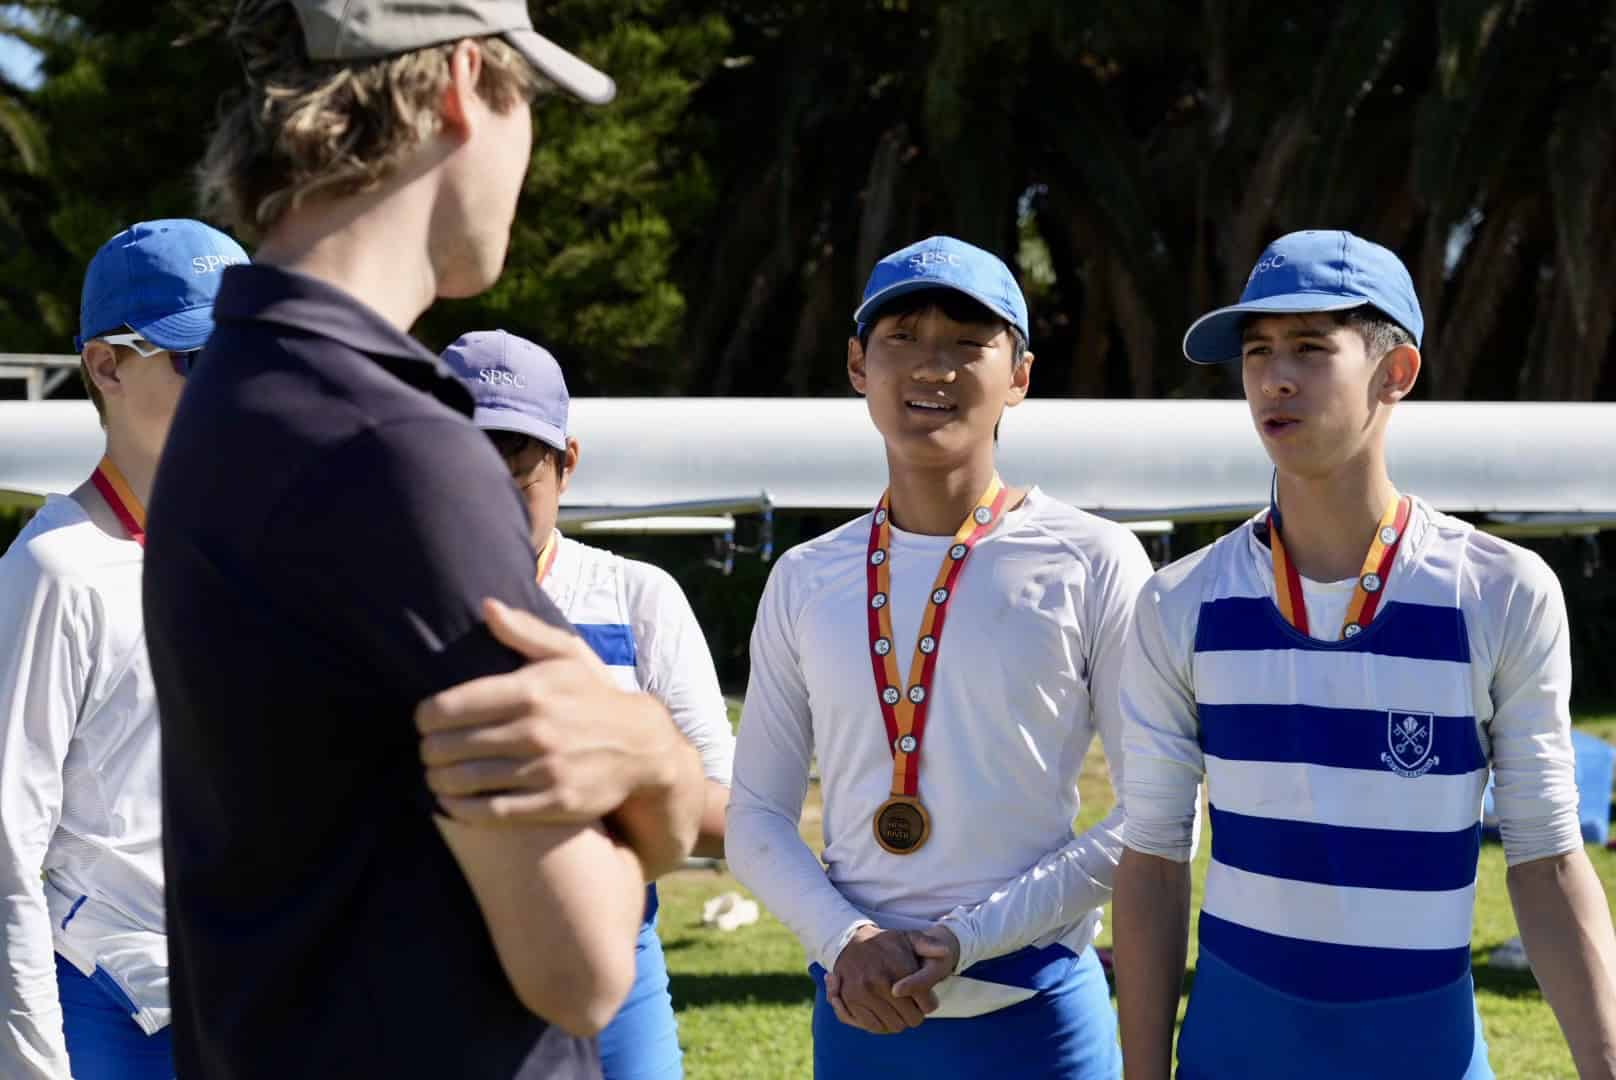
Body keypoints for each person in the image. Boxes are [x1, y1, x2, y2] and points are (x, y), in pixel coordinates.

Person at [142, 3, 705, 1078]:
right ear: (461, 84)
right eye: (526, 100)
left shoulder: (237, 391)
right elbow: (582, 966)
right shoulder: (394, 448)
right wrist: (658, 760)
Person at [1112, 229, 1616, 1078]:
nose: (1275, 377)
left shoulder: (1501, 592)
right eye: (1258, 351)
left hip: (1426, 1054)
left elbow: (1548, 860)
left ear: (1396, 372)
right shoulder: (1179, 602)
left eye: (1311, 349)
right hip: (1234, 1053)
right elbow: (1156, 861)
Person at [726, 236, 1152, 1078]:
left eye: (967, 341)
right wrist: (848, 938)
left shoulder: (1094, 559)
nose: (933, 365)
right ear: (858, 364)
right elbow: (756, 817)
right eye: (903, 338)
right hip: (863, 1015)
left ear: (1019, 376)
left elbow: (1158, 813)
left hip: (1040, 1024)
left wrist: (966, 939)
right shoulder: (806, 576)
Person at [443, 328, 735, 1080]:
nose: (490, 508)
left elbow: (730, 816)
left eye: (517, 478)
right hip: (434, 973)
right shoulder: (377, 605)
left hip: (615, 964)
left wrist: (611, 778)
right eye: (465, 475)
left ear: (566, 464)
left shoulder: (637, 597)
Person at [0, 219, 246, 1080]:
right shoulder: (54, 570)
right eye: (200, 359)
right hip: (111, 1013)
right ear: (106, 366)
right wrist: (35, 1067)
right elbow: (7, 849)